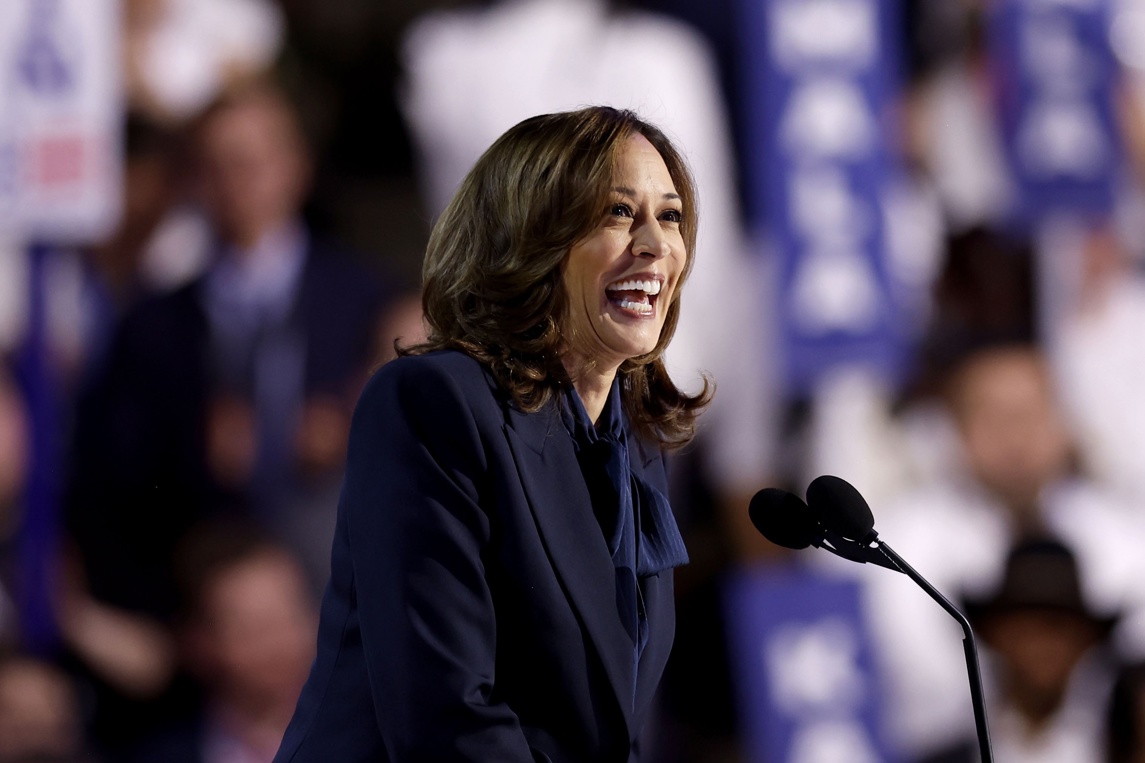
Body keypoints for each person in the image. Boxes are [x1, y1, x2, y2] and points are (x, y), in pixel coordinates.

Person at [274, 105, 710, 762]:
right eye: (619, 213)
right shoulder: (433, 402)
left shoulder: (636, 443)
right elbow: (446, 715)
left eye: (669, 215)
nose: (654, 244)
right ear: (532, 236)